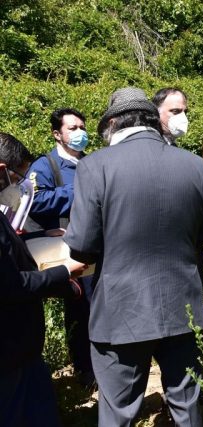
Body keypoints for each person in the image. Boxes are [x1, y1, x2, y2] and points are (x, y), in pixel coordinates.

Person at [64, 87, 203, 426]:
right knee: (186, 407)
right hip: (182, 307)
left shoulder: (94, 166)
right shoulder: (193, 165)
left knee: (119, 412)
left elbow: (83, 247)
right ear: (152, 120)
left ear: (114, 123)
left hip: (122, 311)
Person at [0, 132, 86, 427]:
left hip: (22, 348)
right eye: (19, 177)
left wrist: (38, 236)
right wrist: (64, 271)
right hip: (10, 351)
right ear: (2, 171)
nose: (21, 187)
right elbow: (11, 286)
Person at [27, 107, 94, 387]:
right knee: (79, 309)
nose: (80, 133)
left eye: (82, 127)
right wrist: (78, 190)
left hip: (98, 248)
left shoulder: (92, 162)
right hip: (68, 251)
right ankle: (84, 369)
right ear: (57, 134)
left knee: (99, 308)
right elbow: (32, 200)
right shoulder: (45, 166)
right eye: (73, 128)